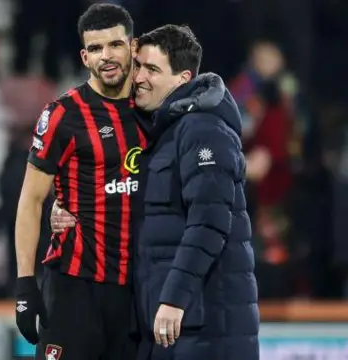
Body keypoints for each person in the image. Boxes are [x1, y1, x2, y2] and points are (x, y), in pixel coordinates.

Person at [51, 25, 259, 360]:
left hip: (201, 325)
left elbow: (209, 221)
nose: (139, 78)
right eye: (138, 68)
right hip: (167, 325)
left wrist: (175, 298)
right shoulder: (159, 133)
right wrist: (66, 209)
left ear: (183, 78)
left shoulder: (203, 129)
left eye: (152, 69)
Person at [14, 3, 145, 360]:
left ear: (133, 47)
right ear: (85, 57)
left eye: (115, 45)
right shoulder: (62, 115)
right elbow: (30, 200)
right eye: (97, 48)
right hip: (76, 287)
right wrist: (25, 284)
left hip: (138, 292)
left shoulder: (154, 109)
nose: (107, 56)